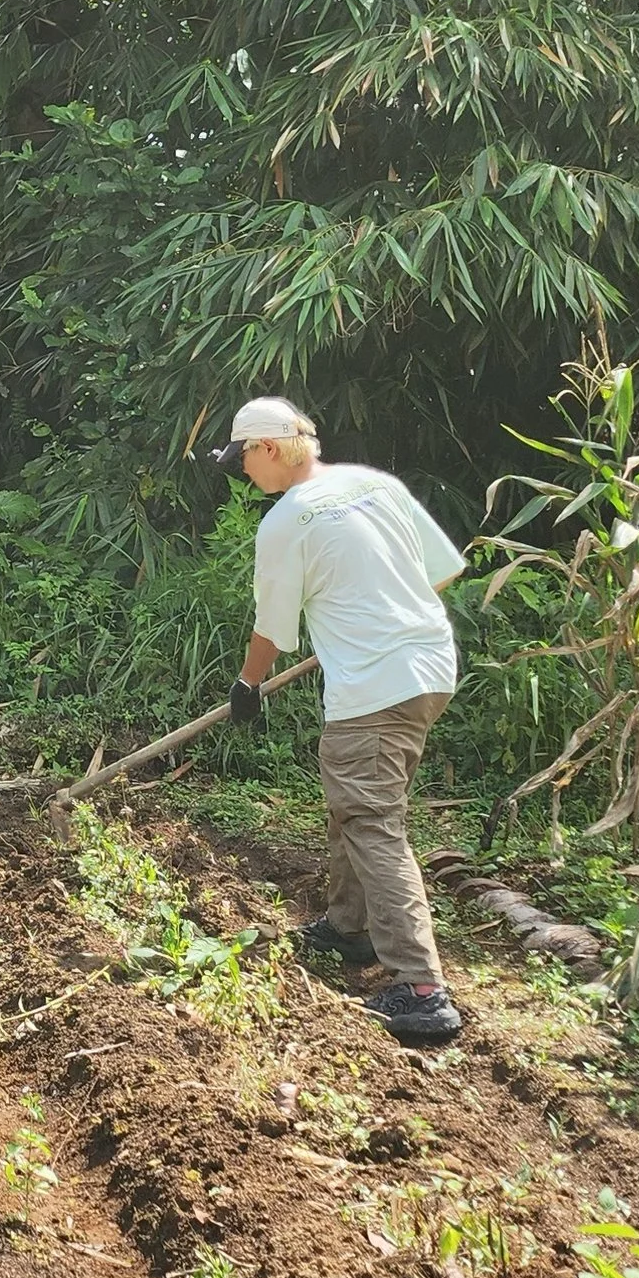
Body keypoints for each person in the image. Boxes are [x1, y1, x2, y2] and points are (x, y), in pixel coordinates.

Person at [212, 394, 467, 1050]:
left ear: (267, 448)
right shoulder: (374, 485)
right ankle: (348, 924)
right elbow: (441, 571)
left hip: (376, 684)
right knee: (353, 801)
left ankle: (420, 988)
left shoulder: (286, 520)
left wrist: (248, 684)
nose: (243, 472)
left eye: (242, 457)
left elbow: (271, 629)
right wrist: (368, 620)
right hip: (430, 665)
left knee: (371, 820)